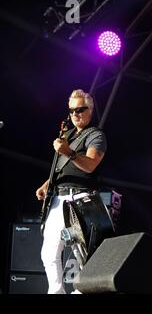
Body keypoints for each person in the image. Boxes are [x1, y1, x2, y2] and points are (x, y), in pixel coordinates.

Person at [36, 89, 107, 294]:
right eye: (71, 111)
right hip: (59, 198)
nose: (75, 114)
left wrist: (68, 151)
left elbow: (91, 164)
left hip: (81, 198)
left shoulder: (95, 134)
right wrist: (46, 185)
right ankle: (56, 291)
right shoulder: (67, 135)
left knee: (84, 254)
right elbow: (61, 168)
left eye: (80, 109)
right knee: (48, 253)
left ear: (90, 111)